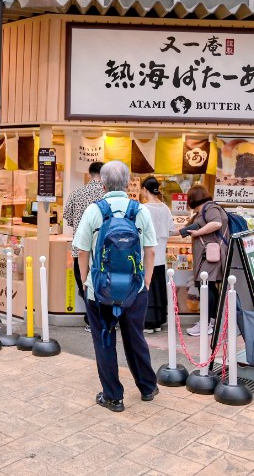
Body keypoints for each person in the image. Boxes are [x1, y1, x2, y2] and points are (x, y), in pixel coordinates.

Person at [74, 161, 158, 412]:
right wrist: (146, 282)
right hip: (134, 288)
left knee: (105, 340)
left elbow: (82, 250)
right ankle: (147, 386)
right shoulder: (140, 210)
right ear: (128, 182)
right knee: (136, 338)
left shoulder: (94, 210)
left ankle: (113, 396)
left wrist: (87, 280)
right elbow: (150, 251)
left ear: (102, 183)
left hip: (100, 290)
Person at [180, 185, 228, 337]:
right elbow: (183, 230)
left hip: (211, 256)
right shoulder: (199, 214)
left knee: (205, 286)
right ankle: (211, 322)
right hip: (206, 256)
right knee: (208, 287)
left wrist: (198, 232)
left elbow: (217, 223)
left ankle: (206, 323)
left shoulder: (210, 208)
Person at [63, 161, 106, 331]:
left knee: (85, 284)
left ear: (89, 174)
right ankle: (104, 320)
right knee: (104, 284)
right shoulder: (106, 195)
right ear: (104, 175)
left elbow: (68, 218)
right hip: (103, 249)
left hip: (80, 249)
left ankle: (91, 320)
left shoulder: (76, 194)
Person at [140, 177, 177, 333]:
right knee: (159, 288)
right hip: (161, 255)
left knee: (147, 287)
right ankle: (158, 320)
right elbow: (171, 230)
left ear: (144, 190)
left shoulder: (143, 209)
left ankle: (147, 321)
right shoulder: (165, 208)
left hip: (145, 254)